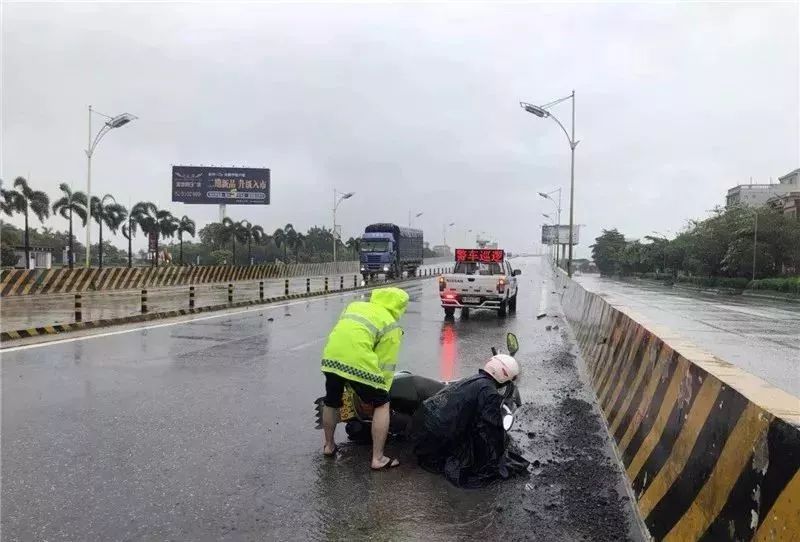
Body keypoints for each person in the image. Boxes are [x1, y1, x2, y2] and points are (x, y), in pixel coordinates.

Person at [320, 286, 409, 470]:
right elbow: (385, 365)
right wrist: (380, 392)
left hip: (331, 357)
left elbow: (347, 335)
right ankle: (378, 459)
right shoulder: (390, 323)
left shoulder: (355, 306)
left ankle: (329, 446)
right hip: (359, 362)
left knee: (331, 401)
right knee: (382, 403)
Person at [411, 354, 528, 487]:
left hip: (422, 429)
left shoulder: (475, 379)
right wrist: (497, 455)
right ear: (505, 376)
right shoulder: (488, 392)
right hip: (434, 441)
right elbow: (490, 429)